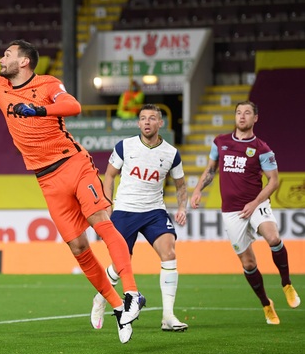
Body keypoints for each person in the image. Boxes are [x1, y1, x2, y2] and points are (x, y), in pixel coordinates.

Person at [0, 15, 145, 343]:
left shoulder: (48, 85)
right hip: (46, 179)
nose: (1, 59)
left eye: (7, 54)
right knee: (77, 246)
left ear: (23, 61)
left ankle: (131, 294)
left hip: (74, 164)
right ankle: (116, 308)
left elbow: (73, 106)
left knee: (101, 221)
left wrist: (39, 111)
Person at [191, 101, 300, 324]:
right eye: (239, 112)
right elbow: (211, 169)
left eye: (247, 113)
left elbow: (274, 181)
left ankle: (286, 283)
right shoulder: (220, 142)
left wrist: (254, 202)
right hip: (231, 213)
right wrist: (197, 190)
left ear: (255, 118)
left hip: (256, 204)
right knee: (248, 264)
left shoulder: (262, 149)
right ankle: (266, 304)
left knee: (273, 238)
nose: (242, 116)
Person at [91, 104, 189, 332]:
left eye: (152, 118)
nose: (147, 122)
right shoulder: (125, 146)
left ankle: (168, 316)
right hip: (126, 210)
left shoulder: (171, 153)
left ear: (160, 123)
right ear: (138, 123)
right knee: (120, 264)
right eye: (143, 118)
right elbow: (109, 176)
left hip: (155, 210)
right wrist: (108, 205)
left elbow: (181, 185)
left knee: (169, 253)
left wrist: (182, 207)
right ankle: (100, 298)